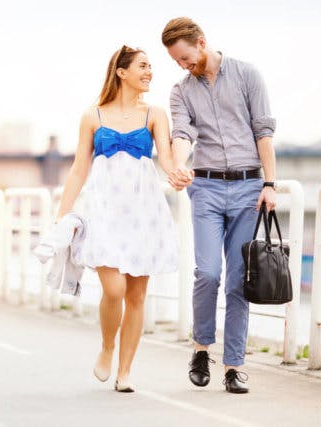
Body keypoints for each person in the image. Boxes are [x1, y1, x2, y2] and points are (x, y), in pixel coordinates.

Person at [55, 45, 185, 392]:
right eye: (143, 66)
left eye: (151, 67)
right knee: (113, 288)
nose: (149, 72)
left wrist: (178, 174)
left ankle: (125, 371)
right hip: (105, 213)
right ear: (121, 71)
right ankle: (107, 346)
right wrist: (62, 216)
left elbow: (168, 161)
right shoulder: (92, 116)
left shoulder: (155, 114)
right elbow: (78, 169)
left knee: (137, 296)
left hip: (143, 212)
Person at [162, 17, 277, 394]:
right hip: (207, 188)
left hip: (248, 188)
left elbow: (263, 130)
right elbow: (182, 133)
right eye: (176, 61)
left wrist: (270, 184)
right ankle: (200, 348)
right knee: (208, 273)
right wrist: (178, 166)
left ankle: (233, 366)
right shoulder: (181, 92)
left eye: (185, 57)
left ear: (201, 41)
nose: (183, 65)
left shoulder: (247, 75)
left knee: (238, 280)